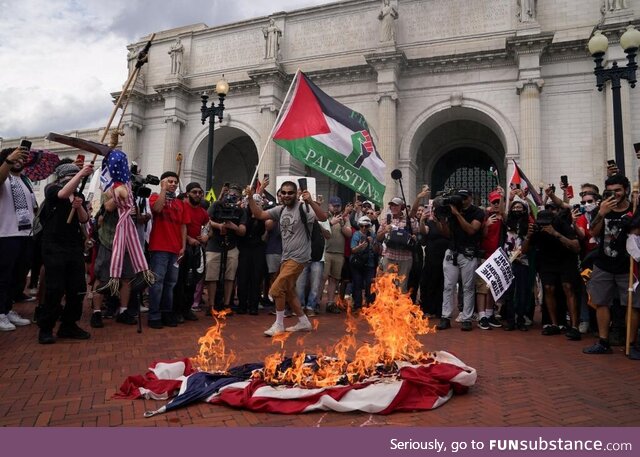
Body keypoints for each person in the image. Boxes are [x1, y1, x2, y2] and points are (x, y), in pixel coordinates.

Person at [246, 181, 327, 336]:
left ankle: (279, 324)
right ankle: (303, 322)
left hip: (299, 257)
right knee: (289, 291)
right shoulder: (281, 209)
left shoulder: (304, 208)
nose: (286, 195)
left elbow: (322, 217)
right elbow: (259, 215)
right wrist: (250, 198)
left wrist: (310, 201)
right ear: (280, 194)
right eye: (283, 192)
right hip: (286, 257)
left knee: (276, 289)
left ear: (296, 194)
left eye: (290, 193)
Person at [37, 162, 94, 344]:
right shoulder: (52, 189)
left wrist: (79, 206)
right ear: (63, 177)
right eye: (71, 177)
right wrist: (81, 173)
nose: (75, 181)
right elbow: (62, 193)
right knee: (55, 289)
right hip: (53, 245)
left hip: (73, 246)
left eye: (76, 177)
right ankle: (46, 328)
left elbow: (84, 219)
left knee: (77, 288)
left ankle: (69, 325)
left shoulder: (78, 195)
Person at [583, 174, 639, 357]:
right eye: (610, 191)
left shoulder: (634, 209)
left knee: (632, 304)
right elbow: (593, 231)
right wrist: (601, 213)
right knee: (601, 302)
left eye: (618, 190)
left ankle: (631, 344)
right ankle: (603, 341)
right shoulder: (601, 208)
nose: (614, 194)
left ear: (626, 190)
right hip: (604, 263)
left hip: (627, 265)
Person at [436, 189, 485, 331]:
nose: (462, 201)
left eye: (464, 198)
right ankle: (445, 317)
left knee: (468, 286)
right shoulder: (451, 210)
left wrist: (457, 214)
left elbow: (471, 230)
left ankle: (467, 318)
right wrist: (442, 220)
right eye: (460, 198)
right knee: (448, 285)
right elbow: (446, 234)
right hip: (452, 251)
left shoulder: (477, 212)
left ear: (470, 198)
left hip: (468, 253)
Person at [147, 171, 190, 329]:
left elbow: (183, 226)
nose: (173, 184)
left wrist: (183, 246)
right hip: (159, 247)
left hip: (175, 249)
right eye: (169, 181)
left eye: (175, 182)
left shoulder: (180, 204)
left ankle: (166, 313)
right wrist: (163, 191)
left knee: (171, 283)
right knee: (157, 283)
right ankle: (154, 315)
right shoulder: (153, 197)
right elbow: (157, 209)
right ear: (162, 183)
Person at [0, 147, 36, 331]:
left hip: (25, 235)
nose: (19, 160)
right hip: (6, 234)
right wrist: (7, 161)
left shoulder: (25, 180)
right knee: (3, 276)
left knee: (17, 276)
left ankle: (7, 309)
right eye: (15, 157)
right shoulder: (3, 177)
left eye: (22, 158)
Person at [206, 184, 247, 313]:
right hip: (214, 245)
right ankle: (211, 305)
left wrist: (232, 226)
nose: (233, 196)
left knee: (230, 276)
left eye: (236, 194)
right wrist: (219, 226)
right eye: (231, 193)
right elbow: (206, 220)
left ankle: (226, 304)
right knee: (211, 276)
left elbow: (242, 231)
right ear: (226, 193)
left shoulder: (240, 211)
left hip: (231, 246)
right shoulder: (216, 205)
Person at [173, 182, 209, 322]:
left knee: (192, 281)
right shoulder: (182, 207)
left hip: (195, 250)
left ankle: (187, 310)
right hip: (182, 248)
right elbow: (179, 227)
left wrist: (207, 235)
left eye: (200, 192)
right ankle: (177, 311)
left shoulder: (202, 212)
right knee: (180, 281)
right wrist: (189, 239)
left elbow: (208, 224)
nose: (198, 195)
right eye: (194, 192)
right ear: (187, 193)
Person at [377, 197, 417, 293]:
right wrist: (385, 230)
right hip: (389, 256)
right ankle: (388, 307)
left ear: (402, 207)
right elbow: (378, 238)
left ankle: (400, 307)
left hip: (405, 258)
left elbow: (416, 235)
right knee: (388, 285)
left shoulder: (410, 220)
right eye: (392, 205)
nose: (393, 207)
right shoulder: (385, 220)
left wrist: (414, 237)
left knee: (402, 286)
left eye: (396, 205)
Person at [322, 196, 352, 313]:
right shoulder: (324, 215)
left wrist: (342, 222)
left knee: (334, 279)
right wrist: (331, 222)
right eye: (334, 205)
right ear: (329, 205)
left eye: (338, 206)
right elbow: (321, 230)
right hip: (325, 251)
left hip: (339, 253)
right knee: (323, 278)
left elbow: (349, 234)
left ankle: (330, 303)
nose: (336, 208)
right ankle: (316, 302)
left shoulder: (345, 218)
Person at [350, 216, 376, 311]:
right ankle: (357, 306)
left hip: (369, 263)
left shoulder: (372, 235)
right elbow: (353, 250)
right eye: (362, 226)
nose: (364, 228)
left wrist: (372, 243)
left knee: (370, 284)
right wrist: (360, 247)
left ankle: (370, 305)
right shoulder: (356, 235)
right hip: (357, 263)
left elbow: (377, 250)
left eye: (366, 226)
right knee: (357, 284)